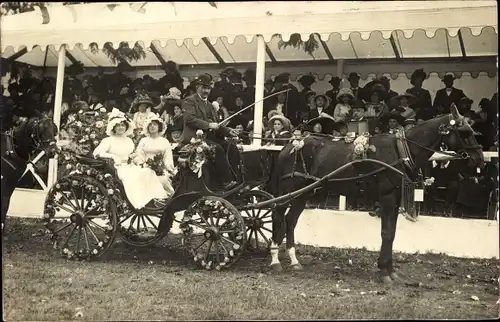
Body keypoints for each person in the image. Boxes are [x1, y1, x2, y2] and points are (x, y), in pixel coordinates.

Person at [93, 109, 170, 210]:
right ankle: (140, 202)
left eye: (123, 125)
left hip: (129, 165)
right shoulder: (108, 140)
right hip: (117, 168)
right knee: (132, 176)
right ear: (114, 127)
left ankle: (154, 198)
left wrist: (136, 160)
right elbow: (98, 153)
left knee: (148, 172)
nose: (121, 128)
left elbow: (133, 154)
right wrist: (113, 157)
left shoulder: (128, 140)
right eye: (118, 125)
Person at [180, 73, 238, 190]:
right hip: (194, 138)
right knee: (218, 149)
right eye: (203, 88)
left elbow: (217, 124)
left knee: (231, 147)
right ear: (197, 88)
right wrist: (208, 125)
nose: (206, 91)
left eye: (208, 88)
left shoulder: (210, 105)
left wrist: (228, 131)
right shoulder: (189, 101)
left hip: (209, 138)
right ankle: (225, 182)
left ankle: (236, 178)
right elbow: (190, 119)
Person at [134, 114, 176, 202]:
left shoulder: (164, 141)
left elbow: (168, 157)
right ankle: (148, 200)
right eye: (150, 124)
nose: (152, 126)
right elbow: (138, 154)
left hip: (161, 168)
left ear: (159, 127)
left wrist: (167, 168)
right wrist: (141, 163)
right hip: (145, 166)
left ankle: (163, 199)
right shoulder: (144, 140)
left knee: (162, 179)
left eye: (155, 124)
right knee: (145, 174)